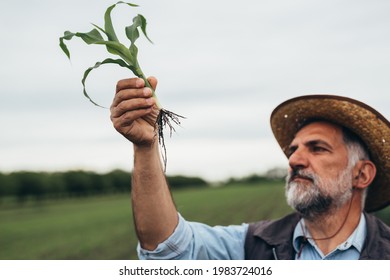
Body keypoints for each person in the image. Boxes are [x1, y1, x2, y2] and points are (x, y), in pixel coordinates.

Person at [110, 77, 390, 260]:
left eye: (317, 148)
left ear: (361, 174)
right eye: (293, 150)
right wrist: (145, 147)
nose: (294, 160)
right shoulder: (253, 245)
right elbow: (168, 249)